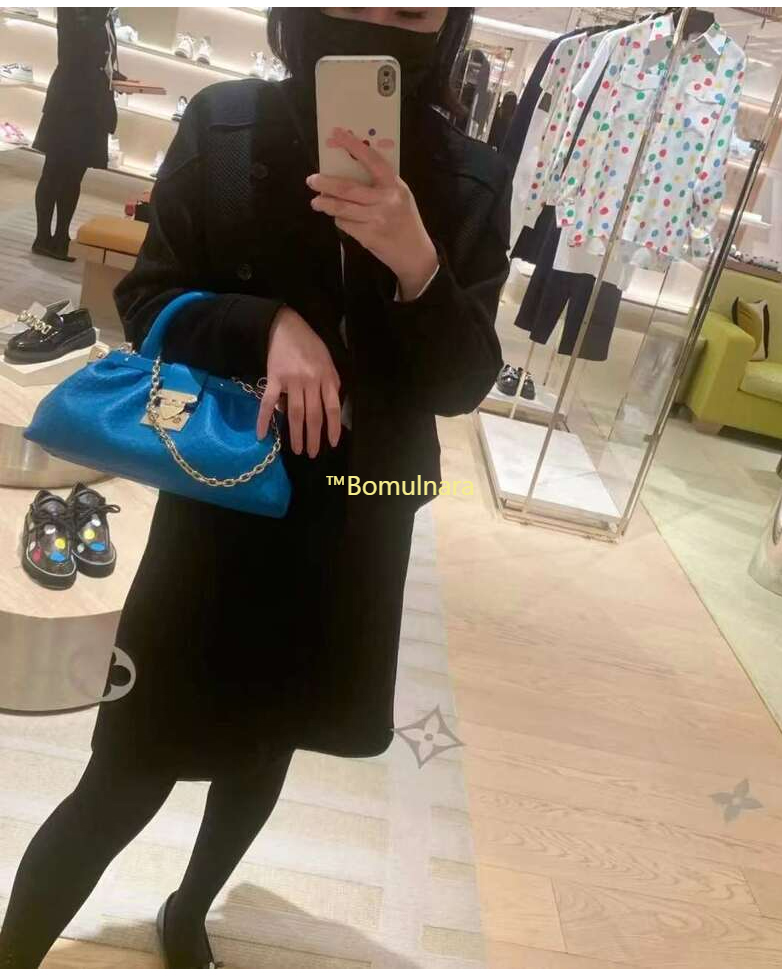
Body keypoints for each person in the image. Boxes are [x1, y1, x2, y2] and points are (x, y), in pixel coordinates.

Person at [0, 7, 510, 968]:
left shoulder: (471, 175)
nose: (383, 19)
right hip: (219, 503)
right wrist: (265, 324)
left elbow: (461, 383)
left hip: (357, 520)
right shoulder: (226, 125)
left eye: (413, 7)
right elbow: (146, 299)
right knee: (129, 761)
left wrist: (418, 263)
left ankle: (189, 910)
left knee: (268, 744)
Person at [31, 7, 122, 261]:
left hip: (91, 108)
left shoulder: (105, 16)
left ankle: (61, 237)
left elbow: (98, 60)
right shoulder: (76, 10)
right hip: (69, 105)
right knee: (54, 171)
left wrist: (115, 76)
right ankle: (42, 237)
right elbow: (71, 53)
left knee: (74, 175)